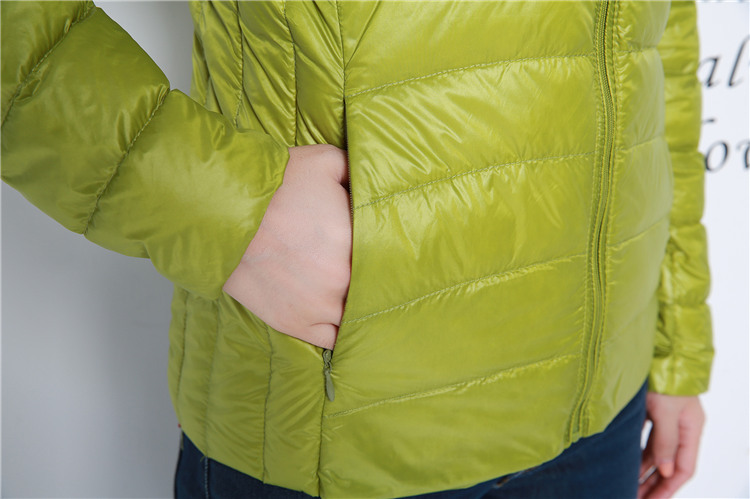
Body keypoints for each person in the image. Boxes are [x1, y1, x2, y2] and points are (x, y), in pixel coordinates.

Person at [1, 1, 713, 498]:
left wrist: (675, 341)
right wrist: (222, 209)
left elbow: (662, 45)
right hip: (352, 424)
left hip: (601, 406)